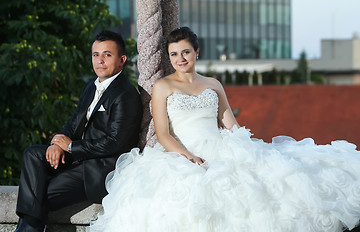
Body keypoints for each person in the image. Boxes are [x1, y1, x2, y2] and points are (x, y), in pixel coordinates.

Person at [88, 27, 360, 232]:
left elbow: (229, 122)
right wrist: (188, 156)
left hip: (219, 146)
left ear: (197, 52)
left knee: (270, 184)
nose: (180, 58)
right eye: (174, 54)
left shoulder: (213, 84)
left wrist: (250, 148)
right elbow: (163, 134)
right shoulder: (163, 87)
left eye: (185, 51)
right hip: (180, 153)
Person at [14, 30, 143, 232]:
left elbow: (115, 142)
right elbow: (73, 124)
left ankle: (27, 230)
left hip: (99, 168)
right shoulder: (90, 88)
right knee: (32, 154)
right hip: (77, 159)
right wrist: (58, 145)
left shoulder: (126, 94)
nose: (99, 60)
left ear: (121, 60)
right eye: (95, 55)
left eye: (107, 55)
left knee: (39, 195)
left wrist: (72, 147)